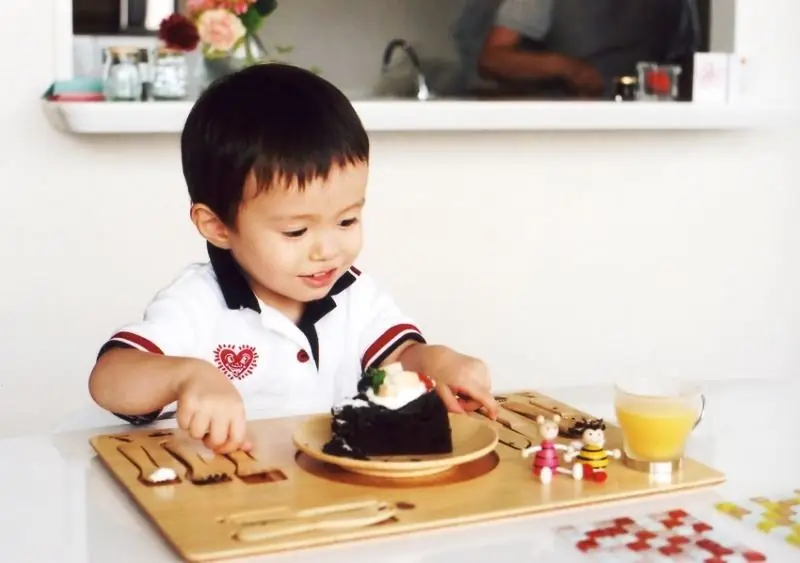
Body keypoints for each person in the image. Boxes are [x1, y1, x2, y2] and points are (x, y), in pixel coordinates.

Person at [88, 63, 498, 454]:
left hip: (334, 500)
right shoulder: (198, 302)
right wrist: (188, 377)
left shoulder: (352, 292)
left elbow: (399, 356)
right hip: (228, 503)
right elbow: (109, 378)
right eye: (296, 232)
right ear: (217, 226)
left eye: (347, 220)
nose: (327, 249)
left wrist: (436, 360)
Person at [453, 0, 698, 98]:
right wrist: (567, 68)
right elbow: (493, 59)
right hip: (567, 129)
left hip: (649, 133)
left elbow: (692, 67)